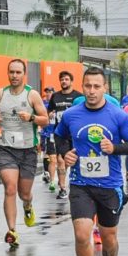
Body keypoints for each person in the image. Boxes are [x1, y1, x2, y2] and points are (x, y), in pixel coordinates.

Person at [55, 67, 128, 256]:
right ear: (82, 87)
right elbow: (59, 137)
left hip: (110, 185)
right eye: (87, 86)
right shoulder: (71, 115)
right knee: (82, 233)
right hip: (81, 183)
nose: (91, 91)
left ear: (105, 88)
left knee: (108, 236)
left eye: (96, 86)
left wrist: (115, 148)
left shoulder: (118, 116)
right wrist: (65, 153)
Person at [0, 59, 49, 248]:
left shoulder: (32, 95)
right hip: (7, 149)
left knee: (24, 193)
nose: (14, 76)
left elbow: (45, 120)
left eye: (18, 72)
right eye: (11, 72)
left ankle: (27, 205)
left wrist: (31, 117)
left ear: (24, 74)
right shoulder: (0, 94)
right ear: (7, 73)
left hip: (28, 152)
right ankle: (12, 231)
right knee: (9, 188)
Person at [47, 71, 84, 200]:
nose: (64, 81)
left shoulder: (78, 97)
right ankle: (63, 188)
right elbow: (49, 110)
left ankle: (73, 182)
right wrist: (50, 114)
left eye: (66, 79)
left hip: (75, 133)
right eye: (62, 79)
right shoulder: (55, 96)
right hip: (60, 133)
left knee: (72, 160)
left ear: (71, 81)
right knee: (61, 160)